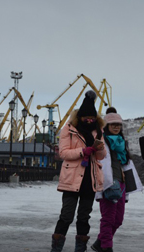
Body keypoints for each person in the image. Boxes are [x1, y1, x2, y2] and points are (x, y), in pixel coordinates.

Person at [51, 90, 107, 252]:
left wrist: (99, 149)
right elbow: (63, 153)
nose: (90, 121)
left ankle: (80, 249)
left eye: (92, 118)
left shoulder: (98, 130)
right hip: (72, 178)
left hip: (90, 179)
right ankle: (56, 249)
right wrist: (84, 151)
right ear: (80, 117)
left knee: (84, 217)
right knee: (66, 216)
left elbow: (101, 156)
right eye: (87, 118)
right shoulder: (68, 129)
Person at [90, 107, 143, 252]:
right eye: (113, 124)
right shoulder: (101, 141)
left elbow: (127, 165)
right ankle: (107, 247)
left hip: (121, 184)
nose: (116, 127)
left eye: (118, 124)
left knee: (118, 220)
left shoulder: (121, 143)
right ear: (106, 126)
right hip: (108, 183)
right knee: (108, 219)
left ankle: (99, 243)